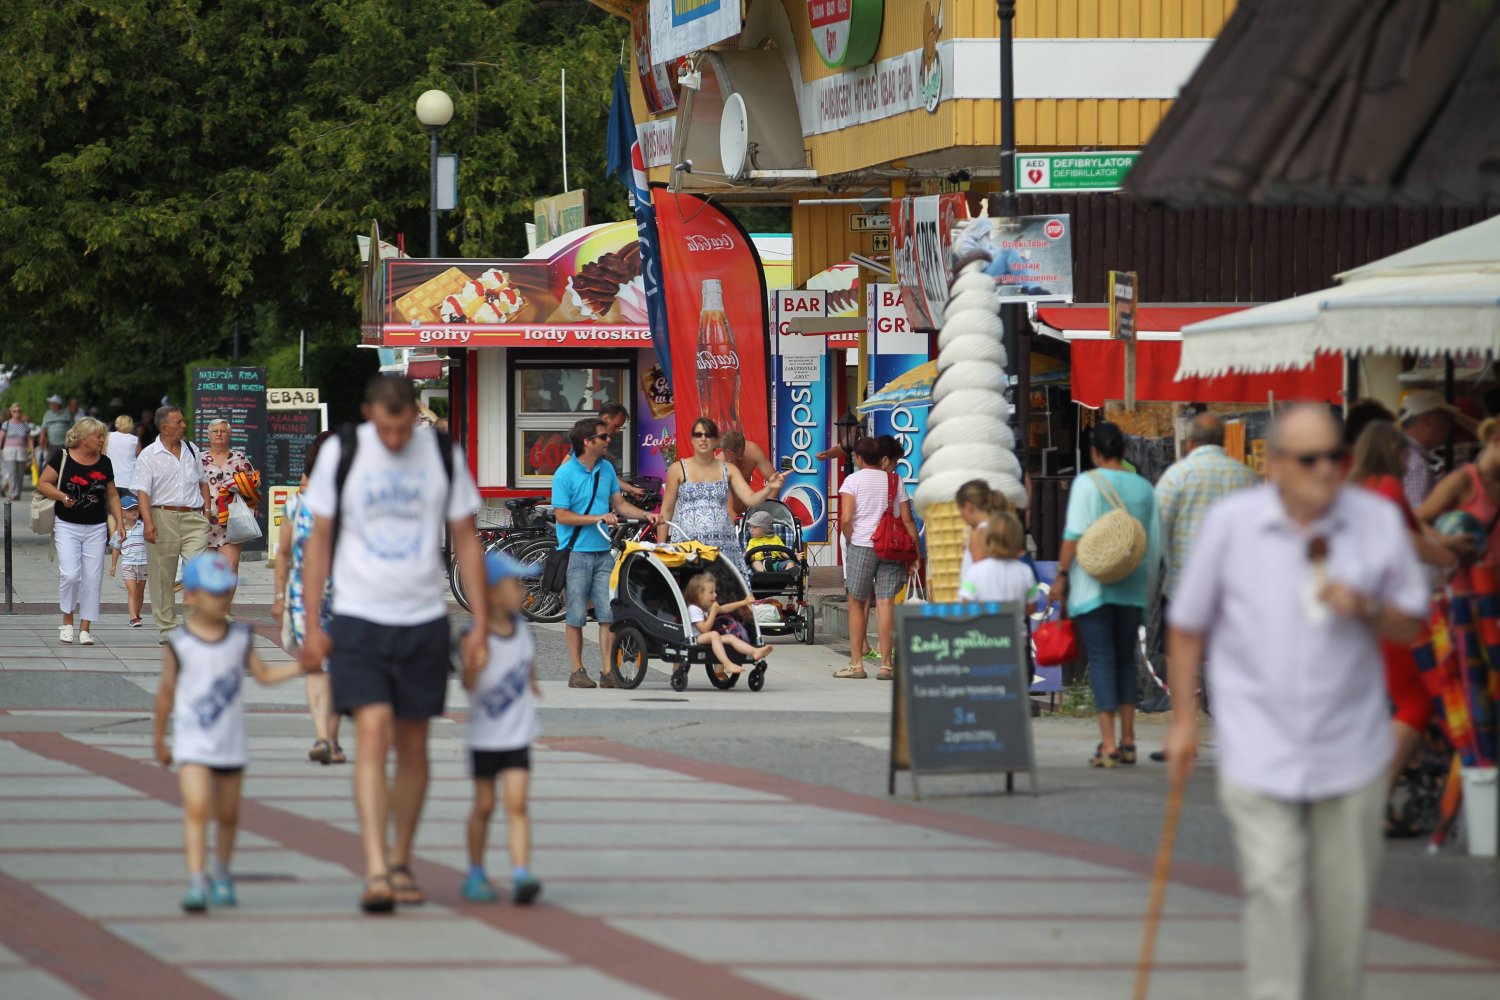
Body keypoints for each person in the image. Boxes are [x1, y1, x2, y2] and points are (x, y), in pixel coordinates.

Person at [1164, 406, 1428, 1000]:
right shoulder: (1234, 524)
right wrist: (1184, 721)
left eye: (1336, 456)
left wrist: (1366, 607)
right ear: (1276, 464)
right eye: (1310, 460)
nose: (1326, 471)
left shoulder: (1376, 521)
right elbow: (1187, 626)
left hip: (1352, 751)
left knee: (1343, 914)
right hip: (1260, 748)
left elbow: (1413, 623)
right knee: (1275, 890)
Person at [299, 375, 489, 913]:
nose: (396, 440)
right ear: (368, 415)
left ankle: (402, 858)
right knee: (373, 732)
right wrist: (312, 625)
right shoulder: (344, 451)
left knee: (413, 745)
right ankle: (377, 866)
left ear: (416, 416)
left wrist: (478, 624)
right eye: (386, 428)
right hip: (359, 616)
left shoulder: (442, 454)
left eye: (404, 428)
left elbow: (467, 539)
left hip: (423, 618)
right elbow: (320, 541)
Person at [151, 552, 309, 913]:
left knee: (227, 814)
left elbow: (265, 676)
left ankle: (221, 871)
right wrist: (159, 739)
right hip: (192, 743)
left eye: (226, 592)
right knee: (196, 808)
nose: (221, 599)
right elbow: (165, 695)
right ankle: (196, 880)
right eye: (212, 592)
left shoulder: (240, 637)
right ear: (189, 596)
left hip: (230, 744)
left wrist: (302, 667)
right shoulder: (180, 643)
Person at [1350, 421, 1457, 803]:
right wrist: (1449, 555)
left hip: (1364, 608)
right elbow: (1405, 537)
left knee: (1392, 699)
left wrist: (1444, 543)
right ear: (1392, 452)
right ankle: (1376, 795)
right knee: (1416, 700)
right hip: (1391, 610)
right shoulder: (1389, 487)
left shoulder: (1360, 489)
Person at [1053, 421, 1161, 768]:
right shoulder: (1144, 488)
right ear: (1124, 451)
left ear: (1095, 452)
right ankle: (1130, 740)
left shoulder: (1088, 483)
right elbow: (1153, 542)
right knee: (1126, 659)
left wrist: (1061, 575)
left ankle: (1109, 744)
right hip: (1132, 586)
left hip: (1093, 585)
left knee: (1102, 660)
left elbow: (1073, 534)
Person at [462, 553, 545, 905]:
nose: (522, 591)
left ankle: (521, 873)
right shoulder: (474, 637)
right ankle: (476, 872)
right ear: (492, 592)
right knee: (483, 806)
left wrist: (533, 682)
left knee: (517, 804)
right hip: (484, 739)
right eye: (515, 584)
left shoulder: (524, 631)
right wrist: (472, 665)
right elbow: (468, 684)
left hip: (517, 736)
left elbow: (526, 666)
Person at [554, 416, 659, 689]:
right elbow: (562, 516)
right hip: (576, 552)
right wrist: (597, 518)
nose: (608, 440)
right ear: (588, 442)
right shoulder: (564, 474)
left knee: (607, 614)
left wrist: (645, 515)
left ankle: (607, 671)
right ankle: (577, 671)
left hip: (603, 553)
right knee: (575, 615)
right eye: (603, 437)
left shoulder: (607, 469)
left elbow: (620, 504)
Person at [274, 431, 343, 766]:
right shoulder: (296, 505)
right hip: (305, 598)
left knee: (338, 669)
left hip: (347, 597)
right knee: (318, 667)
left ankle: (333, 737)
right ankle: (322, 736)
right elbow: (284, 553)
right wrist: (278, 595)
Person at [658, 417, 783, 586]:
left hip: (721, 545)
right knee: (690, 592)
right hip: (687, 545)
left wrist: (770, 489)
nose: (703, 439)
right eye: (698, 435)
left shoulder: (728, 468)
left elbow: (751, 498)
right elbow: (666, 511)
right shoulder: (677, 469)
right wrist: (660, 546)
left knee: (720, 593)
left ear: (715, 440)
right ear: (692, 439)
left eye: (708, 436)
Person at [837, 435, 920, 681]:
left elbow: (846, 519)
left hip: (863, 545)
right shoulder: (895, 480)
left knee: (856, 602)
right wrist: (915, 552)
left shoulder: (852, 481)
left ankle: (856, 664)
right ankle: (886, 665)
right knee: (885, 604)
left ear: (860, 458)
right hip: (891, 548)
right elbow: (907, 520)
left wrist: (851, 540)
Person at [37, 417, 123, 646]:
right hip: (67, 524)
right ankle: (67, 622)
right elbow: (43, 483)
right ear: (84, 438)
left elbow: (112, 495)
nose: (102, 440)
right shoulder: (62, 456)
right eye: (99, 436)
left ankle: (85, 628)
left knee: (93, 578)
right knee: (71, 575)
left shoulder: (104, 462)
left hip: (96, 527)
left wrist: (120, 523)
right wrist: (61, 497)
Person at [1155, 414, 1260, 602]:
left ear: (1190, 443)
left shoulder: (1176, 476)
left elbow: (1156, 531)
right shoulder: (1248, 477)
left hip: (1184, 590)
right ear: (1223, 441)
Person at [132, 405, 212, 644]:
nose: (184, 426)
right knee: (162, 576)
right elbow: (143, 493)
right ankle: (168, 628)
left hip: (193, 517)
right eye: (179, 422)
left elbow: (203, 481)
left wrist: (207, 512)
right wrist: (147, 522)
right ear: (165, 427)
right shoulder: (149, 454)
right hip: (161, 516)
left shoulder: (191, 449)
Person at [1416, 416, 1500, 567]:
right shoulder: (1463, 480)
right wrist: (1447, 541)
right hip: (1464, 584)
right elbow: (1415, 520)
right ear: (1497, 441)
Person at [201, 418, 260, 607]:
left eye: (223, 431)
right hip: (205, 519)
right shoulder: (198, 459)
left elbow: (253, 485)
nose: (219, 434)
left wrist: (252, 506)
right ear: (208, 435)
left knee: (231, 565)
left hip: (232, 519)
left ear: (229, 435)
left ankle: (224, 610)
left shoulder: (239, 458)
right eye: (215, 431)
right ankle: (210, 608)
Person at [685, 571, 773, 675]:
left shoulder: (706, 607)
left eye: (715, 591)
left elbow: (724, 608)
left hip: (707, 637)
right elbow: (704, 629)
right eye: (711, 592)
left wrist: (743, 602)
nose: (715, 595)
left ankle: (754, 651)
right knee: (714, 634)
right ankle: (727, 664)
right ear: (698, 594)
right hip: (696, 638)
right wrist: (713, 612)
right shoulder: (693, 609)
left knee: (730, 637)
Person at [1399, 389, 1461, 510]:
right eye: (1445, 419)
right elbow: (1418, 519)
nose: (1449, 426)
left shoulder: (1394, 450)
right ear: (1427, 421)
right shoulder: (1417, 465)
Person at [958, 512, 1037, 606]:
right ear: (1017, 540)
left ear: (987, 539)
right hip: (1015, 620)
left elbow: (966, 603)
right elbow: (1032, 607)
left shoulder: (974, 571)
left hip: (985, 620)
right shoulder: (1025, 571)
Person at [955, 479, 1014, 579]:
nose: (962, 517)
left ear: (968, 507)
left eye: (961, 511)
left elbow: (980, 577)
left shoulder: (978, 534)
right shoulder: (1004, 527)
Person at [109, 494, 148, 627]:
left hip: (143, 563)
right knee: (132, 591)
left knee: (140, 592)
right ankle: (133, 618)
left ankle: (136, 614)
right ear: (122, 513)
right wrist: (113, 565)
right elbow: (115, 548)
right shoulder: (120, 531)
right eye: (130, 509)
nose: (134, 512)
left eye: (136, 509)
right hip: (128, 564)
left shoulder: (143, 527)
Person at [721, 429, 778, 515]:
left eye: (738, 459)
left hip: (746, 509)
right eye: (730, 461)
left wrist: (764, 510)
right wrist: (741, 525)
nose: (734, 464)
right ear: (724, 453)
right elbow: (728, 508)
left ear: (743, 450)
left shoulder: (752, 451)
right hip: (726, 514)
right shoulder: (719, 465)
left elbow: (776, 481)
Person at [599, 403, 646, 500]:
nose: (617, 431)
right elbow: (566, 466)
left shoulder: (604, 462)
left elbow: (609, 477)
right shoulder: (585, 440)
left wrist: (631, 489)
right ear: (605, 418)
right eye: (616, 426)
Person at [2, 403, 33, 501]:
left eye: (19, 411)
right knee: (12, 473)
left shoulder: (24, 425)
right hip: (9, 452)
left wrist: (32, 451)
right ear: (11, 412)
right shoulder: (6, 424)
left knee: (20, 474)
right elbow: (1, 437)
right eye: (15, 411)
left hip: (21, 451)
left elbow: (29, 439)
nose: (17, 413)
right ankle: (13, 493)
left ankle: (18, 493)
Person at [107, 415, 141, 498]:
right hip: (129, 481)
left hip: (111, 480)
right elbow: (141, 458)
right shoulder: (135, 440)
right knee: (129, 509)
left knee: (111, 510)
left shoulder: (108, 436)